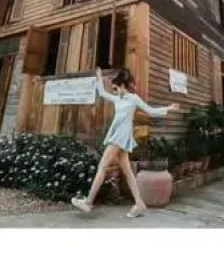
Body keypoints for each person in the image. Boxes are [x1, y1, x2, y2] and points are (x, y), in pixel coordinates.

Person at [71, 67, 179, 218]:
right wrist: (99, 77)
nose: (114, 91)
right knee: (128, 172)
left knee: (102, 167)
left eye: (116, 88)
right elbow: (101, 93)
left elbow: (150, 111)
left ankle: (88, 202)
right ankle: (139, 203)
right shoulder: (118, 99)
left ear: (123, 86)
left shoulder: (133, 98)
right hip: (118, 136)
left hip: (120, 137)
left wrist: (168, 108)